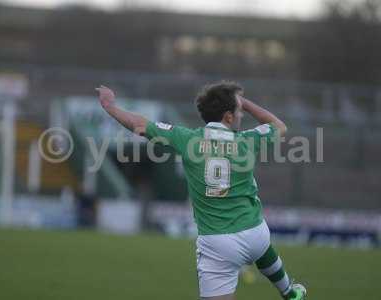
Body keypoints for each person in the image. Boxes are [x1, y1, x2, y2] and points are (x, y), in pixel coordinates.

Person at [96, 81, 307, 300]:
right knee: (263, 251)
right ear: (228, 117)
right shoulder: (247, 141)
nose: (241, 114)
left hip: (218, 244)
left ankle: (289, 291)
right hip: (256, 233)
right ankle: (289, 292)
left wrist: (110, 107)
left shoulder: (187, 139)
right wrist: (246, 102)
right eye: (239, 111)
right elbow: (278, 125)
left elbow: (139, 124)